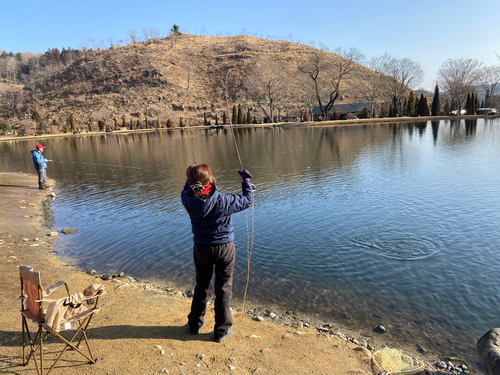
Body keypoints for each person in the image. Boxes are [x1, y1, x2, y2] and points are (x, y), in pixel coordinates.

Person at [181, 164, 253, 343]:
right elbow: (247, 200)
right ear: (210, 180)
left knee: (202, 285)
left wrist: (190, 176)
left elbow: (187, 188)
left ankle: (194, 324)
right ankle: (221, 330)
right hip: (224, 248)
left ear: (192, 183)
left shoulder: (188, 199)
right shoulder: (223, 200)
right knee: (223, 288)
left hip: (201, 248)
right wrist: (246, 181)